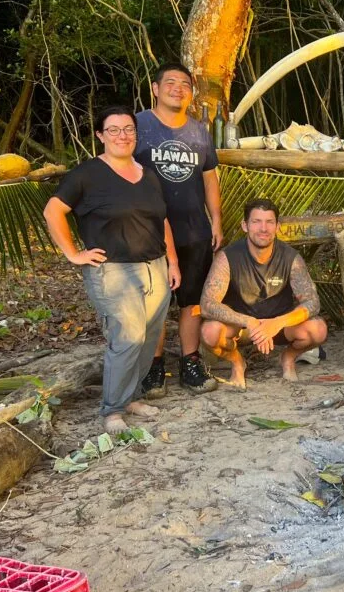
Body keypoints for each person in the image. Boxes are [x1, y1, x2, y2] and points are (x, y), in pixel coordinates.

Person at [43, 107, 181, 434]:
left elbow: (161, 220)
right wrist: (73, 254)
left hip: (155, 267)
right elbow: (53, 211)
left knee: (148, 338)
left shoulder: (148, 175)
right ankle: (113, 410)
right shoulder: (87, 174)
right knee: (128, 338)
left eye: (128, 129)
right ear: (100, 135)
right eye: (114, 130)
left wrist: (173, 261)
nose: (123, 135)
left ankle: (132, 398)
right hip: (114, 273)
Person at [134, 63, 223, 397]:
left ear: (191, 93)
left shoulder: (199, 131)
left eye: (185, 84)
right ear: (155, 89)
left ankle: (190, 363)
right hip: (148, 231)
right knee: (154, 303)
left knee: (192, 301)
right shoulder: (137, 125)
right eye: (169, 82)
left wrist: (216, 219)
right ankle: (154, 366)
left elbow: (209, 178)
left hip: (194, 230)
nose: (178, 88)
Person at [199, 198, 328, 387]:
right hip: (242, 327)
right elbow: (207, 304)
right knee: (210, 332)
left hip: (279, 326)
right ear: (245, 226)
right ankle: (237, 362)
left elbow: (312, 302)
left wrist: (278, 322)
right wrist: (249, 322)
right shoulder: (227, 257)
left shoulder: (291, 258)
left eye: (269, 222)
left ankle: (288, 358)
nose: (263, 228)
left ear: (277, 226)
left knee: (318, 330)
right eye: (256, 221)